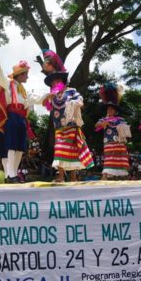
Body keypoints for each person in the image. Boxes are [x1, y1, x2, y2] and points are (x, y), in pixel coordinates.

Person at [0, 40, 48, 183]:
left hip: (22, 119)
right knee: (11, 146)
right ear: (20, 74)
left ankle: (14, 174)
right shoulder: (8, 84)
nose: (27, 77)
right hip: (12, 117)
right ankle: (10, 175)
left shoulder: (23, 91)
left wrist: (49, 96)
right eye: (26, 74)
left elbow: (34, 99)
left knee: (20, 148)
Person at [42, 49, 94, 182]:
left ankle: (73, 177)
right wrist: (47, 98)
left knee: (72, 151)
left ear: (62, 81)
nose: (54, 83)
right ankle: (60, 176)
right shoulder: (52, 96)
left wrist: (72, 103)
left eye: (56, 80)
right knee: (59, 149)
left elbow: (80, 102)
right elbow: (45, 105)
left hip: (71, 126)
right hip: (59, 127)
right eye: (52, 82)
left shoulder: (71, 92)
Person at [95, 83, 131, 180]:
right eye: (108, 109)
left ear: (115, 111)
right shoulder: (103, 119)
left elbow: (126, 131)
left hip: (119, 142)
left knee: (119, 159)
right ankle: (105, 176)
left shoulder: (120, 119)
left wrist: (122, 128)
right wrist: (103, 124)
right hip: (108, 142)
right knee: (108, 158)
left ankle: (119, 177)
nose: (109, 110)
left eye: (111, 109)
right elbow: (97, 125)